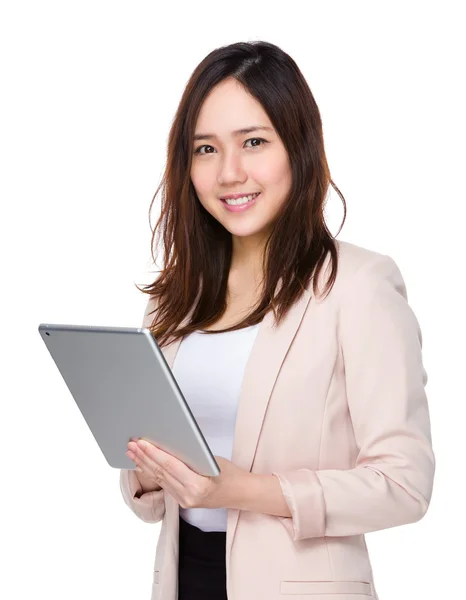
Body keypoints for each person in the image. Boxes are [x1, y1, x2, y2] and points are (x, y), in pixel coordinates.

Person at [119, 40, 435, 600]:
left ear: (299, 147)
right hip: (184, 578)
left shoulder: (358, 287)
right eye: (206, 149)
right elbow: (158, 495)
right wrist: (147, 471)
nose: (229, 173)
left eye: (255, 142)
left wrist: (243, 490)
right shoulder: (178, 296)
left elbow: (404, 484)